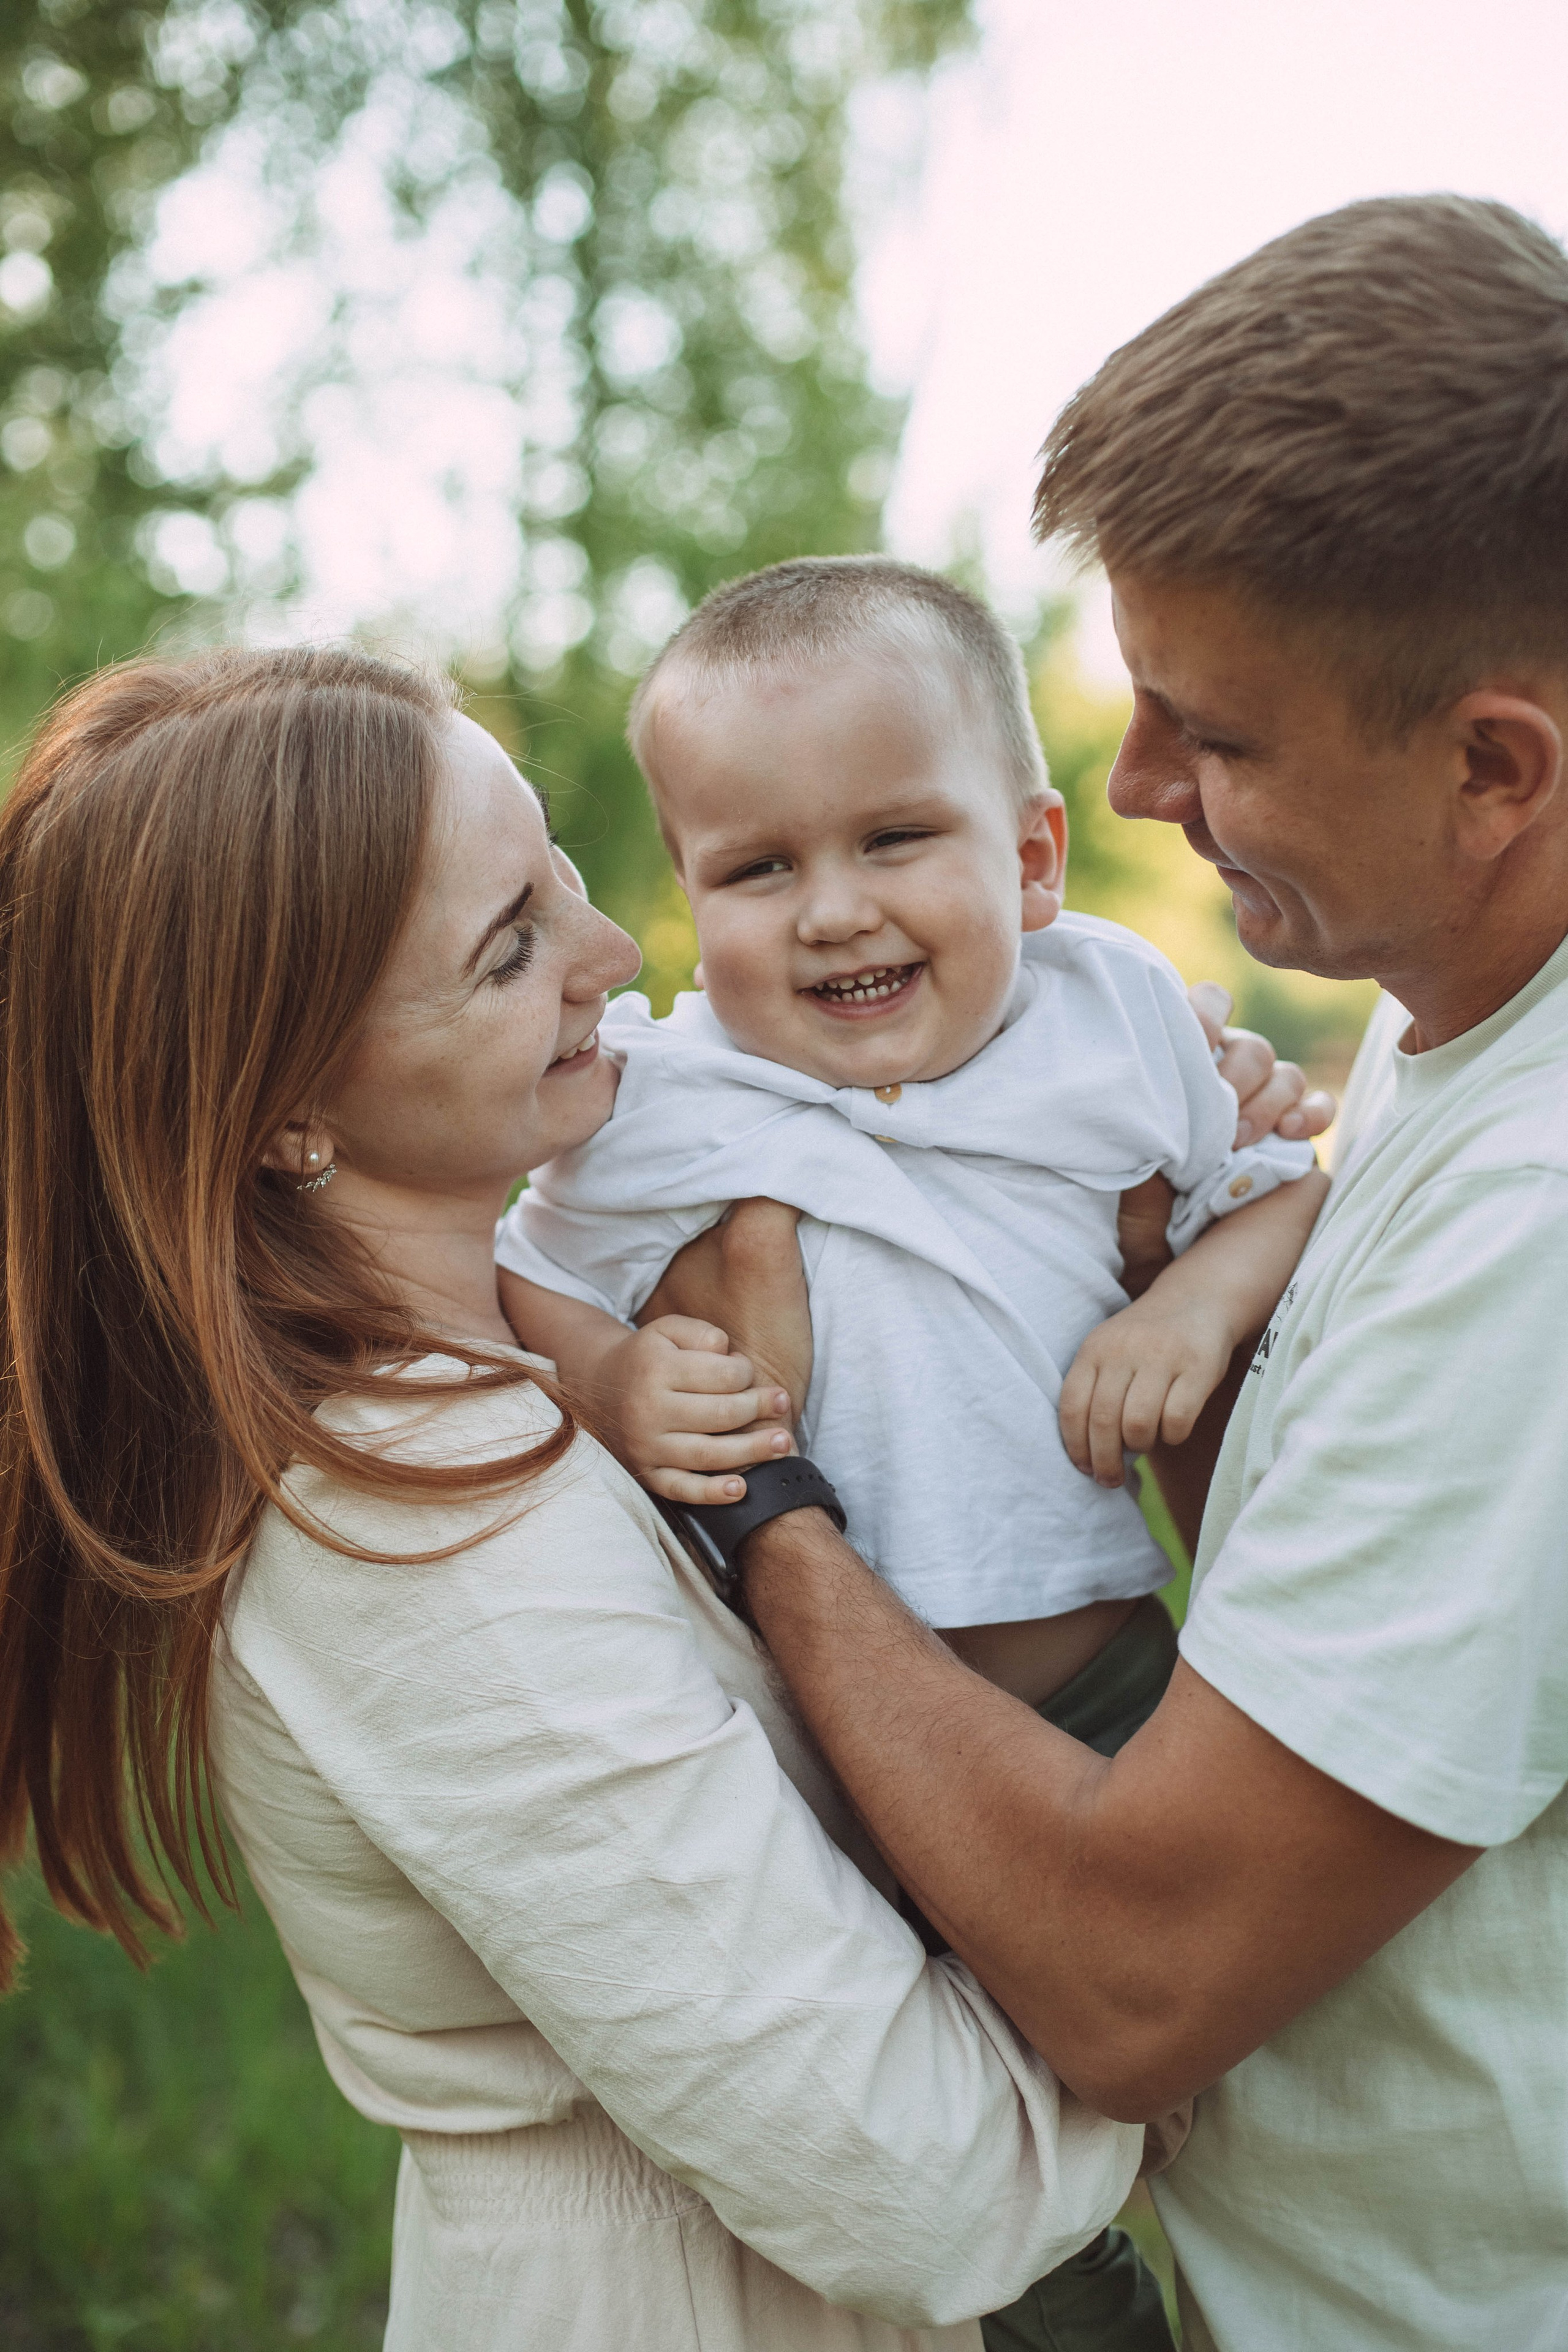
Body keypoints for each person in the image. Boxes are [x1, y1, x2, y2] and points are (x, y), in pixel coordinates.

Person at [0, 642, 1175, 2352]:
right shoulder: (417, 1521)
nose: (618, 956)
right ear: (284, 1118)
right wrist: (1211, 2009)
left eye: (556, 873)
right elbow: (921, 2183)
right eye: (512, 947)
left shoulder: (556, 1360)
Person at [647, 192, 1568, 2352]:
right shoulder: (1441, 1037)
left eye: (1211, 732)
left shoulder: (1542, 1215)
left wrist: (770, 1518)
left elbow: (1136, 1977)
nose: (1135, 785)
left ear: (1492, 766)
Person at [495, 557, 1322, 1743]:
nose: (831, 912)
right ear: (689, 889)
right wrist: (613, 1381)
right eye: (758, 867)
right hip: (807, 1718)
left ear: (1033, 860)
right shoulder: (660, 1099)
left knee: (1190, 1913)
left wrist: (1183, 1307)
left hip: (1101, 1671)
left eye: (892, 838)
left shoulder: (1105, 1021)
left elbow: (1278, 1196)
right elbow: (530, 1275)